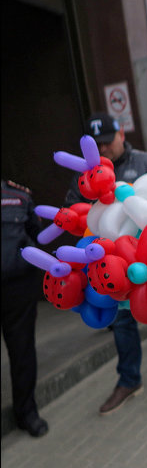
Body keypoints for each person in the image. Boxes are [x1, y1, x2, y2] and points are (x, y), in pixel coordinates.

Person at [67, 113, 147, 415]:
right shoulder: (86, 174)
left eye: (107, 142)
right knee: (122, 324)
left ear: (121, 134)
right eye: (96, 145)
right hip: (110, 264)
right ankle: (128, 381)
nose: (102, 150)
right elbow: (75, 213)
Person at [2, 179, 48, 437]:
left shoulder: (18, 195)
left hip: (16, 289)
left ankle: (26, 413)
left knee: (22, 353)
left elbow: (35, 235)